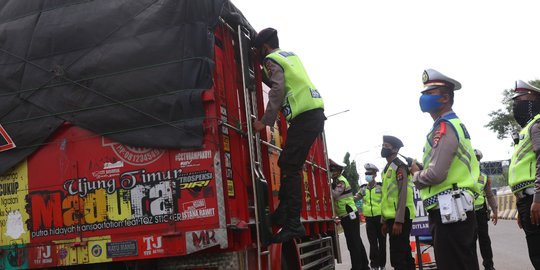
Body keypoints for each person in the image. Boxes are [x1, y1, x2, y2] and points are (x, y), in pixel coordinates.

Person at [251, 28, 326, 243]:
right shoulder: (289, 55)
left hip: (305, 117)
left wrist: (264, 121)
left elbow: (277, 89)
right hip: (312, 115)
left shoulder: (270, 60)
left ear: (264, 48)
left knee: (290, 167)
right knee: (287, 163)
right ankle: (284, 212)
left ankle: (293, 224)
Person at [410, 69, 481, 270]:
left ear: (445, 98)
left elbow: (436, 174)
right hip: (451, 211)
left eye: (430, 93)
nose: (423, 98)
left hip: (450, 213)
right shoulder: (447, 126)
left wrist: (416, 174)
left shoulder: (445, 126)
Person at [508, 80, 540, 269]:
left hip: (534, 199)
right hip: (526, 201)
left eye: (520, 99)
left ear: (533, 99)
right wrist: (520, 206)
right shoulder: (525, 130)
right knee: (535, 253)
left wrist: (537, 198)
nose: (515, 104)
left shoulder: (537, 126)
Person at [380, 135, 416, 270]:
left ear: (395, 149)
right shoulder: (386, 169)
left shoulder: (399, 167)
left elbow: (403, 194)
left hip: (400, 217)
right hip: (391, 218)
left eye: (386, 146)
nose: (383, 148)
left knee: (397, 258)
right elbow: (385, 197)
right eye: (382, 146)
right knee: (405, 254)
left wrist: (399, 221)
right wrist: (383, 221)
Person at [330, 159, 370, 270]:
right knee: (356, 241)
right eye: (330, 170)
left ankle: (357, 267)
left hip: (350, 215)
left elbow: (334, 194)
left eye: (333, 170)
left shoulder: (341, 181)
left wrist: (326, 184)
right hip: (347, 215)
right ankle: (364, 266)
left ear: (338, 171)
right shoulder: (337, 181)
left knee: (353, 243)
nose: (331, 172)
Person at [355, 163, 386, 270]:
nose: (367, 175)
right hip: (369, 219)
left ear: (375, 174)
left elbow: (386, 201)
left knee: (382, 243)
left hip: (381, 219)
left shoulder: (381, 187)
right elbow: (355, 198)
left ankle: (382, 264)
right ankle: (374, 265)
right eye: (366, 173)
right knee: (373, 243)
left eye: (370, 173)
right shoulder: (363, 189)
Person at [473, 149, 498, 270]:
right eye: (474, 158)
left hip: (481, 211)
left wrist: (495, 210)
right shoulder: (465, 174)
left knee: (484, 240)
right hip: (467, 212)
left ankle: (489, 265)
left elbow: (489, 194)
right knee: (470, 241)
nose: (476, 160)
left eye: (477, 158)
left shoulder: (484, 175)